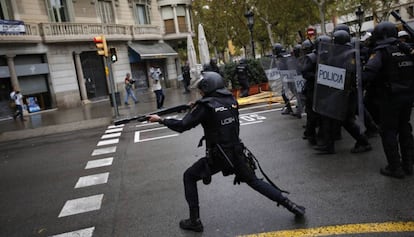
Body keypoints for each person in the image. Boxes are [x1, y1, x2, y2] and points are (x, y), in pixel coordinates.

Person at [147, 71, 305, 233]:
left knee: (189, 176)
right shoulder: (231, 100)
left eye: (201, 90)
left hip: (218, 156)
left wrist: (161, 120)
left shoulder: (205, 106)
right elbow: (216, 113)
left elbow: (183, 125)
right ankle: (291, 205)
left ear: (208, 88)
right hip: (237, 152)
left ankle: (194, 221)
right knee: (255, 182)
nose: (200, 93)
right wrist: (196, 106)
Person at [363, 21, 414, 178]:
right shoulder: (406, 49)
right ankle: (408, 164)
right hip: (408, 96)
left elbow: (369, 73)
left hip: (389, 97)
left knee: (389, 130)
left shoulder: (381, 52)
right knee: (405, 127)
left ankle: (394, 167)